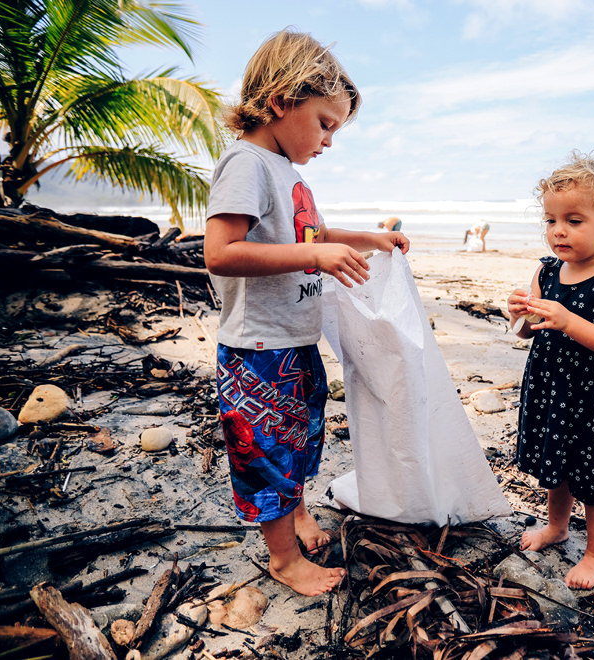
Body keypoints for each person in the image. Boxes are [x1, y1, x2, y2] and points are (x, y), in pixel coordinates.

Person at [203, 29, 409, 596]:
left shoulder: (283, 171)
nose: (328, 142)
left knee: (300, 440)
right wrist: (314, 253)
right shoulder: (245, 164)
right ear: (279, 102)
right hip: (257, 349)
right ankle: (284, 560)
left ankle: (295, 518)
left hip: (291, 341)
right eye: (324, 124)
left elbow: (309, 233)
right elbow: (220, 253)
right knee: (267, 455)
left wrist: (367, 238)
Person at [506, 152, 594, 589]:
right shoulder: (547, 272)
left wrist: (569, 320)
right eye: (550, 220)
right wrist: (520, 313)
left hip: (593, 395)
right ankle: (557, 526)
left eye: (574, 220)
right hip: (550, 386)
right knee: (557, 465)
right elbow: (528, 332)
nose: (558, 231)